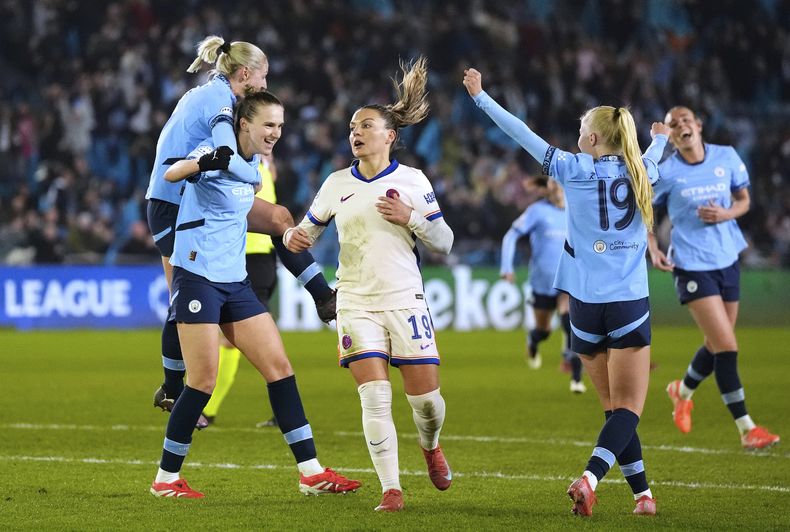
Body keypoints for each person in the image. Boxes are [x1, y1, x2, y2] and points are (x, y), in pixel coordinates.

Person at [464, 67, 668, 517]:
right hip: (628, 303)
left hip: (582, 307)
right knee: (629, 409)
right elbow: (654, 154)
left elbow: (521, 133)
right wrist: (663, 137)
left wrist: (481, 97)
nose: (577, 131)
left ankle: (643, 497)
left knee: (613, 408)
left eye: (581, 127)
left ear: (594, 139)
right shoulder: (644, 172)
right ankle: (590, 479)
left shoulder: (573, 169)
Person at [149, 90, 360, 498]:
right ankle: (166, 479)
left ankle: (311, 472)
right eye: (268, 125)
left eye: (280, 126)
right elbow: (170, 173)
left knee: (280, 368)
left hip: (235, 282)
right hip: (197, 279)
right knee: (203, 382)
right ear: (243, 124)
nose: (275, 133)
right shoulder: (218, 149)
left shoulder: (254, 163)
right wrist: (202, 162)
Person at [284, 56, 454, 513]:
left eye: (365, 125)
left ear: (389, 135)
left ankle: (430, 444)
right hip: (355, 300)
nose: (355, 133)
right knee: (374, 396)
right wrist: (291, 236)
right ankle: (391, 489)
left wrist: (411, 217)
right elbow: (304, 233)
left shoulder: (413, 181)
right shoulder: (337, 183)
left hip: (404, 297)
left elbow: (445, 241)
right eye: (351, 128)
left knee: (428, 404)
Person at [145, 35, 337, 428]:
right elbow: (226, 155)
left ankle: (324, 297)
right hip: (172, 206)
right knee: (182, 300)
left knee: (281, 218)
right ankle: (171, 385)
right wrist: (252, 174)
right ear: (245, 74)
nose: (265, 86)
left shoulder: (218, 97)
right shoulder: (217, 100)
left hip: (203, 198)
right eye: (263, 78)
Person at [648, 106, 780, 450]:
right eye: (673, 125)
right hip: (692, 265)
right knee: (727, 347)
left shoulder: (727, 157)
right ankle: (747, 428)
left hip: (727, 258)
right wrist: (652, 245)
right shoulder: (666, 172)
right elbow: (645, 210)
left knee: (716, 342)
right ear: (671, 135)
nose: (680, 126)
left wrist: (726, 213)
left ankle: (683, 391)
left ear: (699, 126)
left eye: (685, 121)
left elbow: (744, 200)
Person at [203, 153, 281, 429]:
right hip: (258, 258)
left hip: (251, 258)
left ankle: (207, 412)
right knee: (237, 338)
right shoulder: (262, 168)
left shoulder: (246, 168)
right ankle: (282, 411)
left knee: (238, 340)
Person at [500, 175, 585, 393]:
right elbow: (511, 236)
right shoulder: (537, 211)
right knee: (544, 330)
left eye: (560, 180)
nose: (557, 185)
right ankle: (533, 340)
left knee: (570, 322)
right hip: (542, 282)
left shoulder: (578, 210)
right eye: (552, 181)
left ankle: (576, 378)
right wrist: (506, 267)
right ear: (547, 187)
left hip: (568, 279)